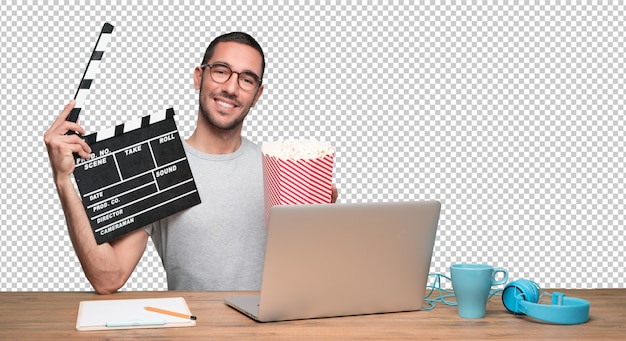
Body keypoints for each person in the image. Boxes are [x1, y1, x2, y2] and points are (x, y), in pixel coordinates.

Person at [44, 32, 337, 294]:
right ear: (199, 77)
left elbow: (313, 276)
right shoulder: (159, 165)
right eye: (221, 71)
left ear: (257, 94)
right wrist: (64, 180)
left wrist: (324, 227)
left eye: (247, 79)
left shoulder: (283, 172)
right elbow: (108, 277)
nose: (232, 88)